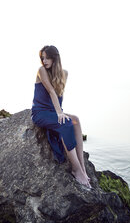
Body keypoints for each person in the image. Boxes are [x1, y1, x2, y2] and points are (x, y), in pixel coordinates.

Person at [31, 45, 91, 188]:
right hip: (40, 112)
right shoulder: (41, 71)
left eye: (47, 57)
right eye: (42, 58)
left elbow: (59, 96)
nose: (44, 61)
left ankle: (82, 168)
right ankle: (76, 170)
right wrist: (60, 114)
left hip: (53, 110)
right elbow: (51, 92)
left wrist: (60, 112)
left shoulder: (64, 73)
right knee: (65, 124)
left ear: (55, 58)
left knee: (75, 119)